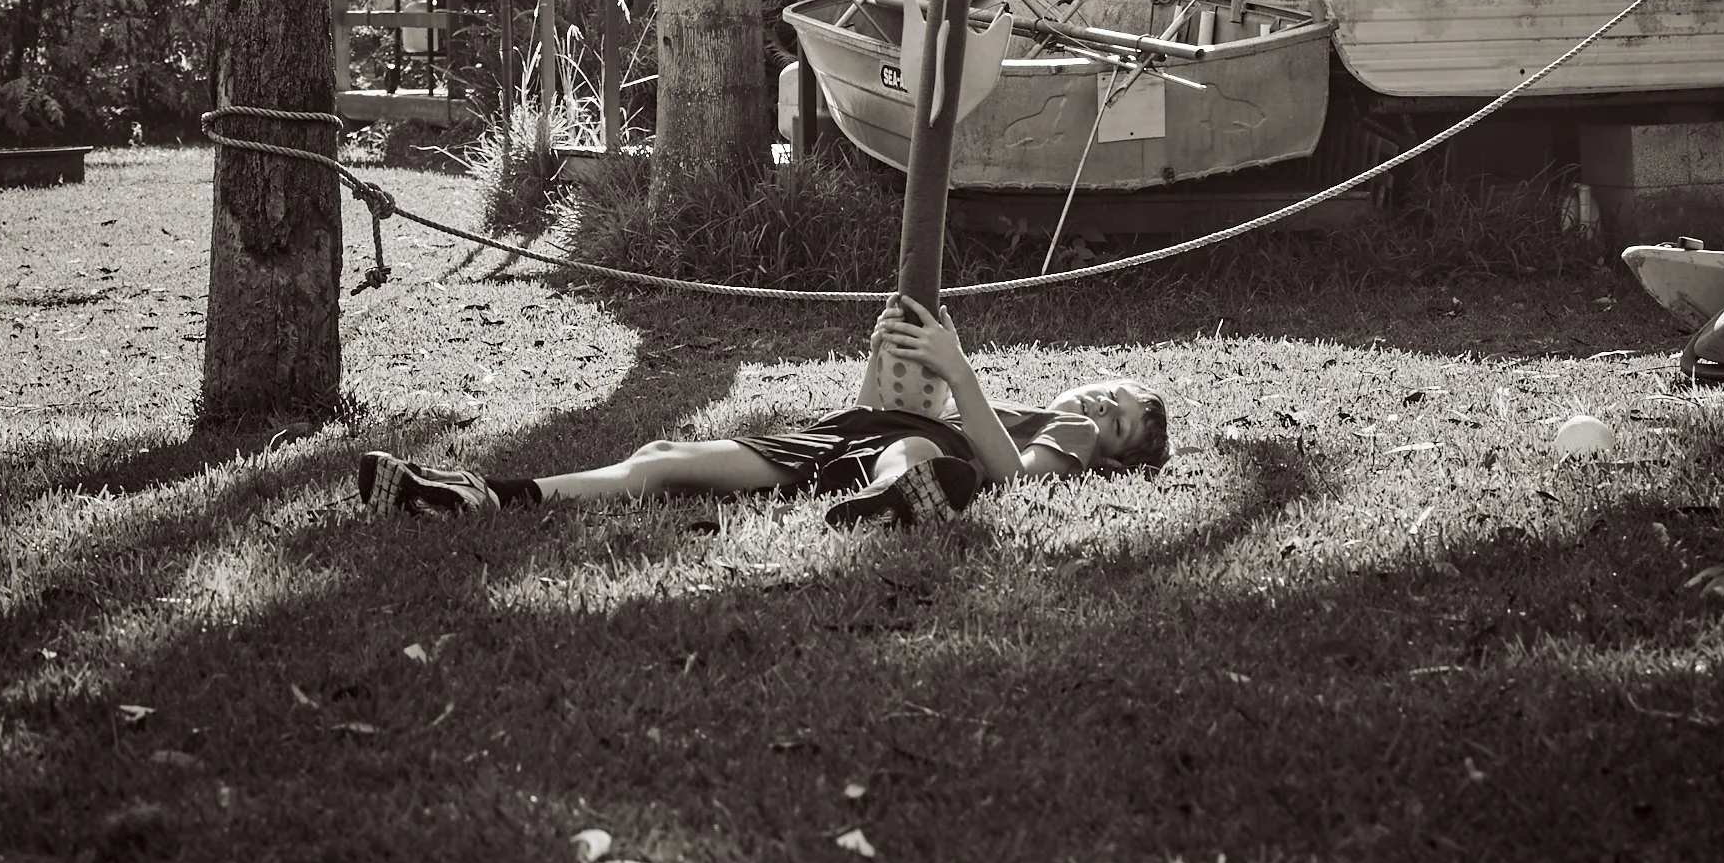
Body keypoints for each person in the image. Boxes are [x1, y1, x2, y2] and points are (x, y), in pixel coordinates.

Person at [357, 297, 1170, 531]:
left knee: (915, 458)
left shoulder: (1067, 431)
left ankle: (894, 499)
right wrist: (882, 355)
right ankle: (490, 494)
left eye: (1119, 421)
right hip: (847, 438)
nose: (1103, 405)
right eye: (1113, 391)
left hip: (905, 448)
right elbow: (870, 415)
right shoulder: (1026, 406)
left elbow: (1014, 478)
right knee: (664, 455)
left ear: (1110, 453)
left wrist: (958, 371)